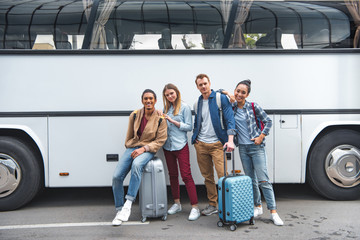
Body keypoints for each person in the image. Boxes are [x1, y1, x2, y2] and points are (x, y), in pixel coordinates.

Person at [225, 79, 284, 226]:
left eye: (243, 92)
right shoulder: (232, 108)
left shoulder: (253, 106)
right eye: (237, 91)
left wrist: (261, 136)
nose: (239, 94)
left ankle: (273, 212)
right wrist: (226, 94)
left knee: (263, 180)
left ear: (247, 94)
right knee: (251, 181)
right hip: (243, 149)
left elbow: (268, 121)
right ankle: (257, 207)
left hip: (256, 148)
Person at [112, 89, 167, 226]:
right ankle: (120, 210)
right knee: (116, 176)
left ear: (155, 101)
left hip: (148, 149)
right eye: (146, 98)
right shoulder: (135, 115)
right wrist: (132, 147)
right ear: (142, 100)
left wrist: (144, 148)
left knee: (137, 165)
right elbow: (129, 136)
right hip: (133, 147)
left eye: (151, 98)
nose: (148, 101)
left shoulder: (160, 118)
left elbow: (160, 140)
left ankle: (128, 204)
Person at [192, 73, 236, 216]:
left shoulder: (220, 98)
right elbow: (197, 122)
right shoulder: (197, 103)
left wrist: (230, 140)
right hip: (202, 145)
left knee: (223, 176)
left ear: (209, 83)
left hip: (218, 144)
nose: (203, 86)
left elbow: (230, 119)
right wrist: (195, 138)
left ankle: (227, 205)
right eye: (200, 85)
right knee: (208, 177)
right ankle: (213, 205)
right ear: (197, 87)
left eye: (205, 83)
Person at [162, 83, 200, 221]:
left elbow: (189, 127)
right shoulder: (166, 108)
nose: (170, 96)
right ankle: (177, 203)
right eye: (167, 95)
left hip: (181, 146)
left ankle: (195, 207)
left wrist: (173, 121)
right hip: (168, 147)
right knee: (172, 175)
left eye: (171, 93)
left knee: (186, 176)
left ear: (176, 92)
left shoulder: (184, 107)